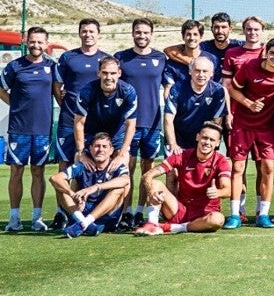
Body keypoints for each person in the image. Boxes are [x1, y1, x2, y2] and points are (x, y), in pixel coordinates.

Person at [224, 37, 274, 229]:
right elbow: (232, 89)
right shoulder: (250, 66)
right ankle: (234, 214)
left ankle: (263, 214)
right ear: (265, 52)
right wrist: (248, 103)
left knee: (268, 168)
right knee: (238, 168)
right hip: (243, 125)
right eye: (272, 53)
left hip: (267, 127)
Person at [1, 26, 62, 232]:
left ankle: (37, 217)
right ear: (26, 42)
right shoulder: (15, 66)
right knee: (16, 171)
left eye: (40, 42)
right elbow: (1, 87)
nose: (36, 45)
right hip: (19, 128)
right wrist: (14, 105)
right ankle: (14, 218)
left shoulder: (52, 66)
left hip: (43, 129)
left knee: (38, 171)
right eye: (32, 41)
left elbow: (57, 92)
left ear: (46, 44)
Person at [115, 18, 168, 229]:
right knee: (126, 168)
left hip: (153, 122)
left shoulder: (160, 58)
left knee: (148, 169)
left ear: (151, 34)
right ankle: (125, 212)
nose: (142, 36)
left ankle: (140, 211)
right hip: (128, 124)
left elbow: (169, 85)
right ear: (132, 33)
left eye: (146, 32)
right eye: (138, 32)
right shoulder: (121, 58)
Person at [133, 123, 231, 235]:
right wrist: (152, 193)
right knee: (155, 183)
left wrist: (218, 192)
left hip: (205, 214)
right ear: (197, 137)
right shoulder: (183, 155)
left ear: (217, 143)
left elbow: (228, 190)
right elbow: (148, 175)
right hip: (178, 210)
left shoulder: (221, 161)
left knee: (218, 219)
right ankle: (152, 224)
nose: (207, 142)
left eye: (212, 140)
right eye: (204, 137)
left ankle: (174, 228)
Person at [54, 19, 107, 191]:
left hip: (93, 123)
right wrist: (67, 105)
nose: (88, 35)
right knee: (64, 164)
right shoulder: (68, 57)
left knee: (90, 165)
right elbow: (57, 86)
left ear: (98, 34)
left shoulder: (105, 59)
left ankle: (85, 208)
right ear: (79, 33)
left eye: (92, 31)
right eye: (84, 31)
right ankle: (62, 213)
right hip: (68, 122)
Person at [49, 132, 130, 237]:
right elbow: (55, 178)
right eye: (97, 146)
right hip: (82, 209)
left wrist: (95, 187)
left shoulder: (116, 166)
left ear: (111, 150)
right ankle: (84, 223)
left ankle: (85, 223)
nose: (100, 150)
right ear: (90, 149)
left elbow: (125, 180)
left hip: (106, 214)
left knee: (119, 190)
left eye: (104, 146)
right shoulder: (83, 165)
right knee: (61, 187)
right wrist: (73, 194)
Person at [163, 56, 226, 155]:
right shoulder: (177, 88)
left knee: (202, 170)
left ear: (211, 74)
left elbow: (217, 121)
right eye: (197, 70)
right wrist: (173, 144)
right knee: (173, 170)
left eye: (205, 71)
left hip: (202, 140)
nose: (201, 75)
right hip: (178, 138)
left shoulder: (218, 91)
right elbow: (168, 118)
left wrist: (208, 142)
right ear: (190, 71)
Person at [161, 20, 218, 86]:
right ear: (183, 36)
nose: (192, 38)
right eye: (188, 34)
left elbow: (217, 86)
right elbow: (168, 90)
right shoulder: (171, 64)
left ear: (201, 37)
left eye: (195, 34)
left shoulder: (212, 59)